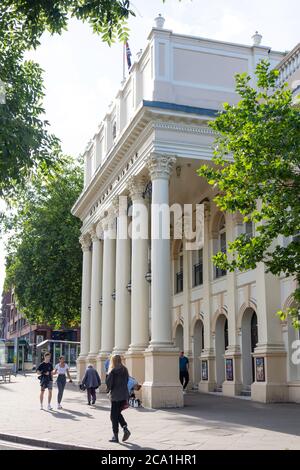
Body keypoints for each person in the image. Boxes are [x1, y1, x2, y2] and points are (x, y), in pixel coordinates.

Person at [106, 355, 131, 443]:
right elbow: (127, 380)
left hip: (116, 396)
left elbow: (109, 384)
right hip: (124, 395)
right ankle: (125, 428)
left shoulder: (113, 371)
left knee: (113, 416)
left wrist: (108, 388)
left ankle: (115, 436)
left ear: (113, 361)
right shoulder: (125, 369)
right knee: (117, 414)